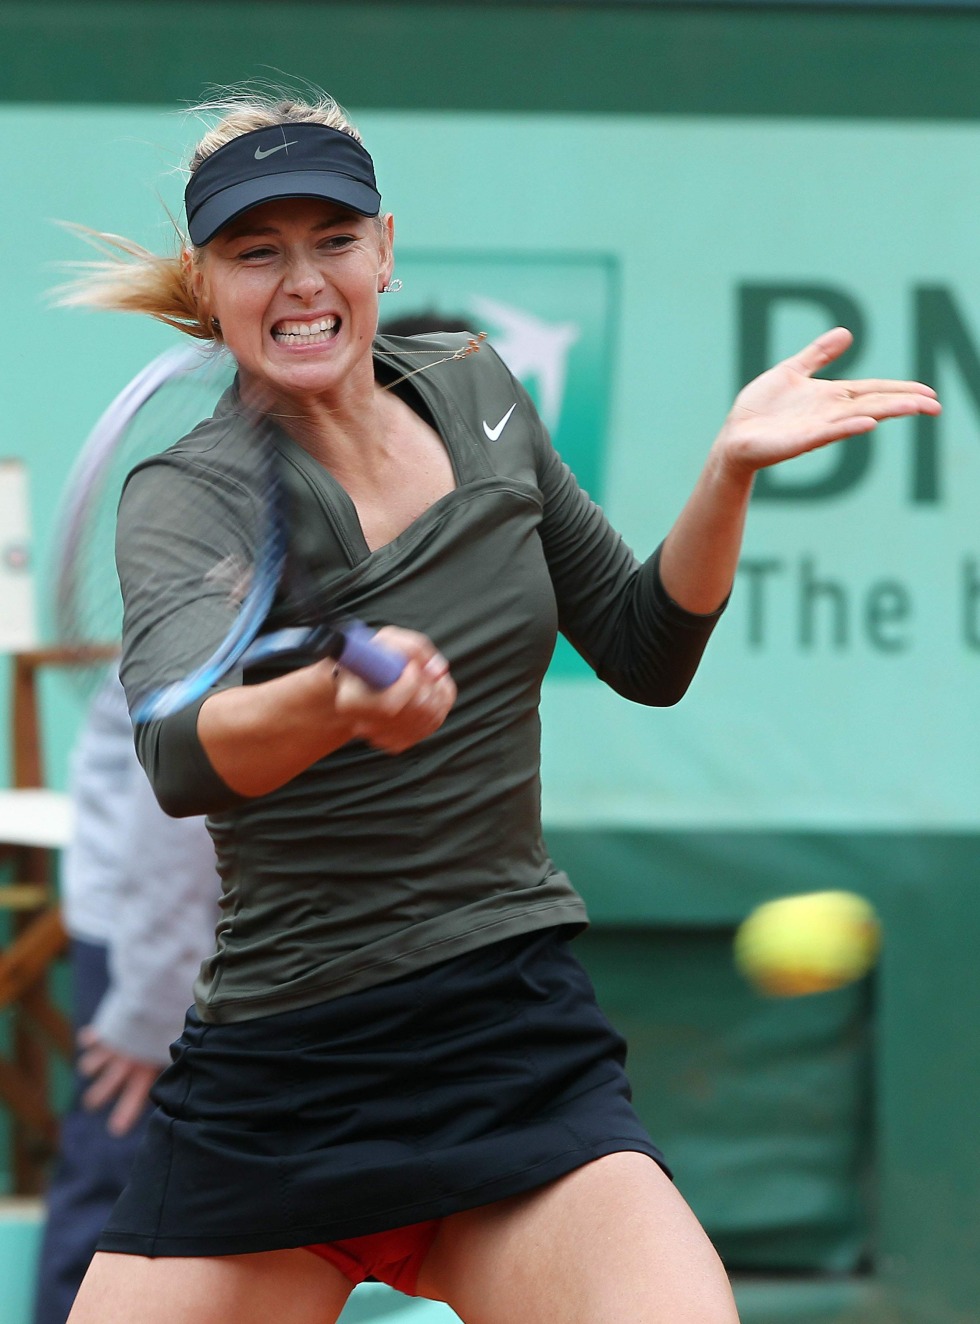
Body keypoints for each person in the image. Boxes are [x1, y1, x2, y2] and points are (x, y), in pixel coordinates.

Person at [62, 88, 940, 1324]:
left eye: (333, 240)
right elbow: (180, 755)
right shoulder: (189, 491)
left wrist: (724, 472)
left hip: (506, 1040)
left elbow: (643, 646)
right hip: (282, 1082)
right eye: (257, 251)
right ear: (209, 286)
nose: (301, 280)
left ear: (385, 251)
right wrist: (332, 702)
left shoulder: (477, 388)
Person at [33, 671, 219, 1324]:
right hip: (146, 952)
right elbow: (172, 825)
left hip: (156, 939)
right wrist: (147, 1010)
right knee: (123, 1170)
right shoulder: (201, 621)